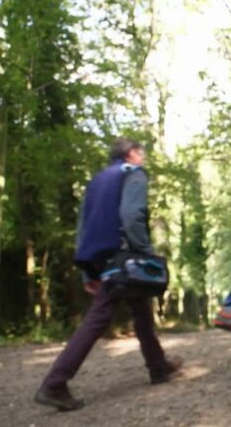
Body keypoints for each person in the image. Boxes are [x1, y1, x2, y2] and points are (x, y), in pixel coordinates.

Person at [34, 138, 182, 411]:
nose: (143, 159)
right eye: (142, 154)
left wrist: (87, 270)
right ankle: (54, 384)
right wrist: (145, 253)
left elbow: (83, 227)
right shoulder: (133, 174)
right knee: (99, 316)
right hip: (124, 256)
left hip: (102, 257)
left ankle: (158, 366)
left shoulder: (97, 180)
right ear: (131, 154)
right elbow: (131, 215)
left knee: (140, 309)